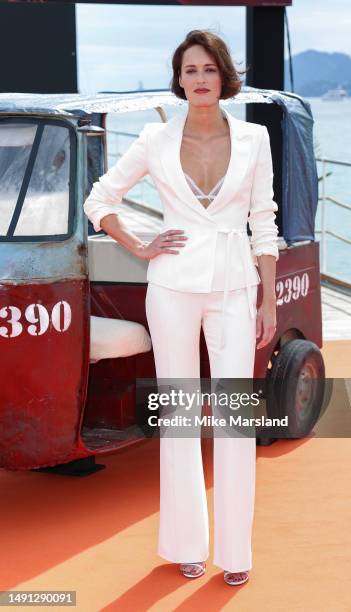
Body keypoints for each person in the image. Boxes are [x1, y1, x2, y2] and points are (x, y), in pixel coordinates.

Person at [83, 29, 279, 587]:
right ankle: (187, 543)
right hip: (170, 286)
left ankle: (235, 552)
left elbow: (263, 221)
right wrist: (141, 247)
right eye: (189, 70)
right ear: (179, 78)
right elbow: (100, 199)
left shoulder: (254, 139)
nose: (199, 79)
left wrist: (267, 296)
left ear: (224, 77)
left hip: (237, 287)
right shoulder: (153, 138)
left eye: (208, 69)